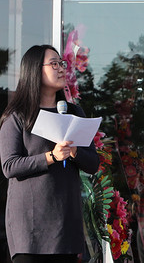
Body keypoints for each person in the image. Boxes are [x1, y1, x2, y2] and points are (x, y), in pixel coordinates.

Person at [0, 45, 99, 263]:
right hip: (31, 228)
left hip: (66, 225)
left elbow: (93, 163)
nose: (61, 68)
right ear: (35, 70)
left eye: (61, 63)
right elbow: (9, 166)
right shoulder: (18, 116)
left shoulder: (73, 112)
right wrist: (51, 157)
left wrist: (74, 151)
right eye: (54, 64)